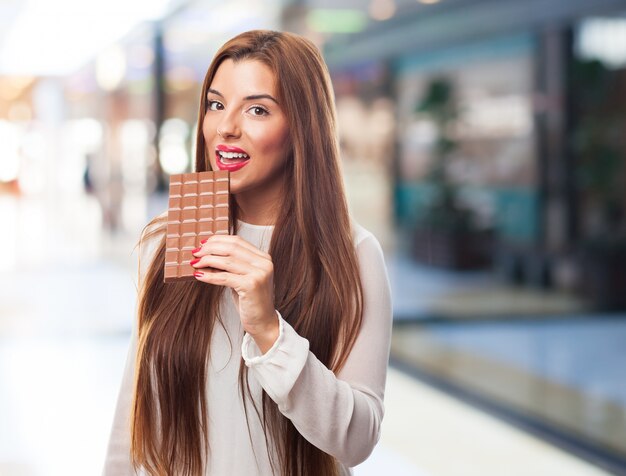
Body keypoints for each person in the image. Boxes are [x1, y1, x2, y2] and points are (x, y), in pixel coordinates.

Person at [103, 30, 392, 476]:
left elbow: (357, 441)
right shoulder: (172, 237)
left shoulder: (351, 254)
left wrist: (269, 331)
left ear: (303, 127)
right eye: (216, 104)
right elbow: (136, 413)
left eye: (257, 109)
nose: (226, 128)